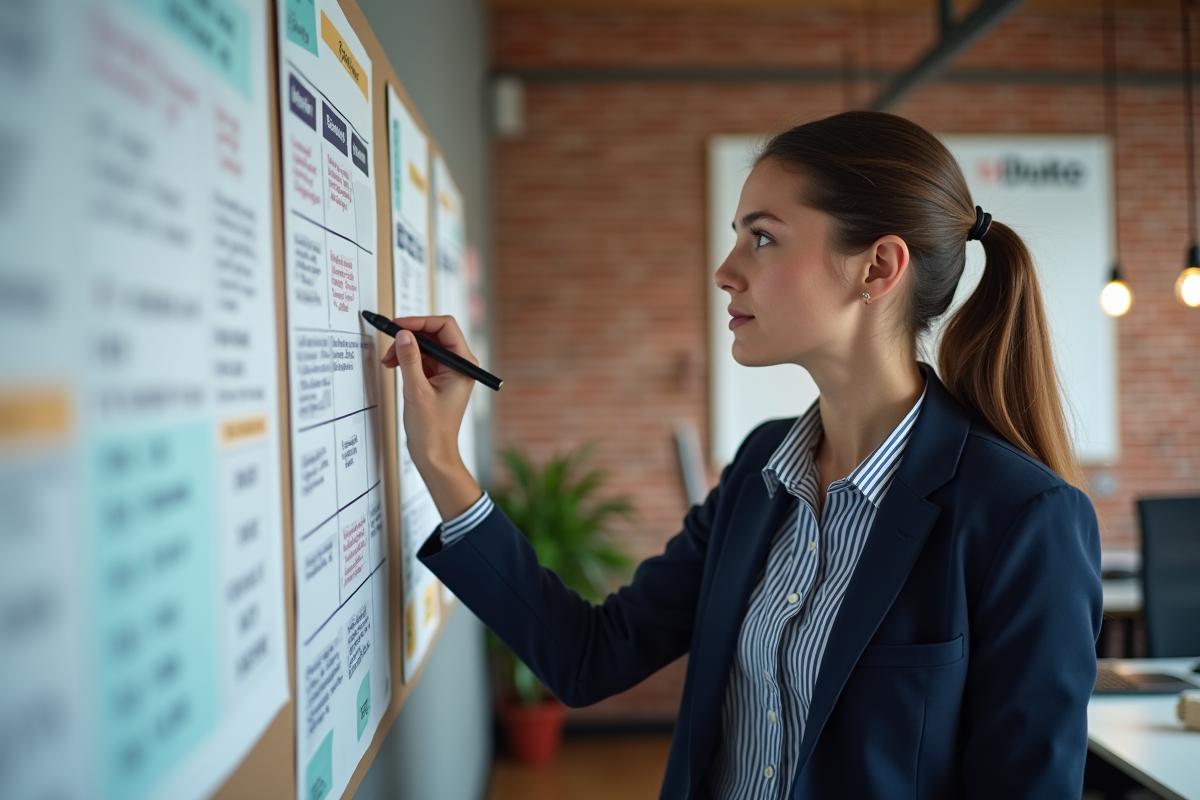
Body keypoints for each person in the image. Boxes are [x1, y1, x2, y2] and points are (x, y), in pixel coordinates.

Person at [381, 110, 1102, 800]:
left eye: (762, 238)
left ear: (878, 267)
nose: (727, 271)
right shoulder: (761, 470)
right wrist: (441, 461)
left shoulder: (1023, 517)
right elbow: (588, 654)